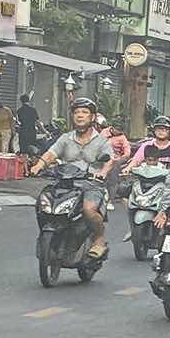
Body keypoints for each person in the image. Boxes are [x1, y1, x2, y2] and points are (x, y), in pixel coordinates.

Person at [29, 97, 117, 259]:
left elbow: (110, 161)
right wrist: (38, 166)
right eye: (76, 112)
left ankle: (98, 240)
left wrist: (102, 172)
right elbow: (51, 154)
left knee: (89, 210)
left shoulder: (101, 141)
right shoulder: (65, 138)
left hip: (91, 184)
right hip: (65, 182)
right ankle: (49, 233)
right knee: (42, 202)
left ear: (92, 117)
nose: (80, 115)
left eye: (84, 112)